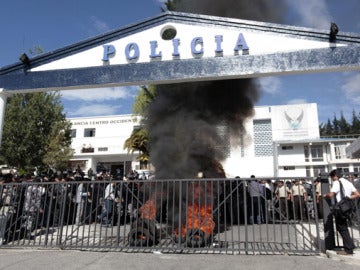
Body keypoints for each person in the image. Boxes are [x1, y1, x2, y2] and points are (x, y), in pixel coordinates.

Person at [323, 169, 360, 255]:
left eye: (332, 177)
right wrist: (347, 198)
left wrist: (325, 195)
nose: (332, 179)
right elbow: (357, 194)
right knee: (344, 227)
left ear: (335, 176)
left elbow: (331, 194)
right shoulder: (348, 182)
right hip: (347, 207)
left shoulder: (337, 182)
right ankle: (349, 246)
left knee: (341, 228)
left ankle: (348, 249)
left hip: (340, 208)